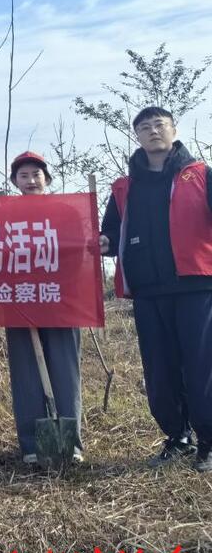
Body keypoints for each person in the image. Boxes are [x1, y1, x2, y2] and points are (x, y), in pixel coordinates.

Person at [100, 107, 212, 472]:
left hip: (196, 286)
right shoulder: (124, 187)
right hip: (147, 291)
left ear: (173, 130)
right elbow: (110, 234)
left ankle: (208, 442)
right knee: (159, 370)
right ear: (136, 136)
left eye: (159, 125)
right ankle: (177, 436)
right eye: (144, 127)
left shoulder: (201, 175)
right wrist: (100, 242)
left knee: (200, 365)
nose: (152, 132)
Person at [4, 151, 84, 466]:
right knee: (26, 376)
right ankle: (33, 444)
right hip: (20, 304)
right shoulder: (4, 215)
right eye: (23, 175)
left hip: (61, 302)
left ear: (47, 179)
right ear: (15, 182)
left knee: (65, 372)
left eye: (36, 174)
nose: (30, 180)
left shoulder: (67, 212)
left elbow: (77, 257)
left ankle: (69, 442)